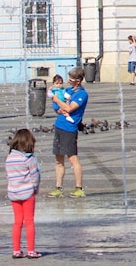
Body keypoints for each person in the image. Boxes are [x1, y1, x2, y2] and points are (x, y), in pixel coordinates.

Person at [48, 66, 88, 198]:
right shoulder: (69, 90)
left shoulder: (82, 94)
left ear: (78, 80)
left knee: (72, 159)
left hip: (69, 129)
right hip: (59, 125)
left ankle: (79, 188)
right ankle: (58, 187)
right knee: (58, 159)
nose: (68, 81)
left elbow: (69, 108)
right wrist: (57, 108)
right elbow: (57, 99)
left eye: (71, 79)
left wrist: (57, 100)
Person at [6, 128, 41, 259]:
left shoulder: (9, 158)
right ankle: (31, 250)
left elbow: (9, 176)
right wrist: (35, 188)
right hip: (27, 193)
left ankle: (16, 250)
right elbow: (35, 176)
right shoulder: (29, 159)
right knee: (29, 222)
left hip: (14, 193)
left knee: (17, 222)